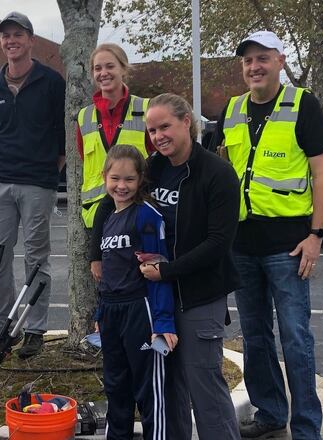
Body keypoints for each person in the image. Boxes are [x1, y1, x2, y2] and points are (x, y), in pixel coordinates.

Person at [212, 31, 323, 439]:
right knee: (256, 336)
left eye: (262, 58)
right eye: (247, 61)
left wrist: (316, 234)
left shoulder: (303, 104)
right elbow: (222, 168)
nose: (254, 67)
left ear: (280, 61)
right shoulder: (232, 110)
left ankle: (306, 428)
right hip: (242, 245)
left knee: (296, 338)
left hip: (289, 246)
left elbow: (321, 174)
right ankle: (269, 413)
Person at [141, 93, 241, 439]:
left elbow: (218, 244)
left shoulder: (218, 173)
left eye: (164, 126)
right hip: (160, 299)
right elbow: (117, 207)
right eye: (152, 130)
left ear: (187, 122)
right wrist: (97, 254)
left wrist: (168, 270)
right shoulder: (151, 169)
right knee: (170, 393)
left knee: (206, 392)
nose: (158, 136)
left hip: (200, 297)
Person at [0, 11, 65, 359]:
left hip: (37, 183)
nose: (11, 41)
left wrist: (49, 169)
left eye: (18, 35)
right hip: (0, 180)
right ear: (1, 42)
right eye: (6, 36)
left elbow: (63, 134)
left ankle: (33, 328)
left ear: (31, 40)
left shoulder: (51, 81)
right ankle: (3, 326)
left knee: (36, 257)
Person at [97, 145, 176, 440]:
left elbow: (159, 271)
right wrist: (99, 311)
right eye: (115, 178)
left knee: (147, 390)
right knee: (116, 387)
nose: (121, 186)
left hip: (139, 311)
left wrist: (163, 321)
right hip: (110, 312)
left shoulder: (146, 216)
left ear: (141, 179)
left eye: (129, 179)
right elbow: (109, 270)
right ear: (105, 177)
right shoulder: (108, 218)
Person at [77, 43, 154, 282]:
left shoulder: (146, 108)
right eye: (97, 68)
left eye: (110, 66)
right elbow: (85, 161)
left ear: (123, 69)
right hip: (98, 219)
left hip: (137, 215)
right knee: (108, 292)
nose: (104, 73)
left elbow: (156, 156)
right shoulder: (84, 117)